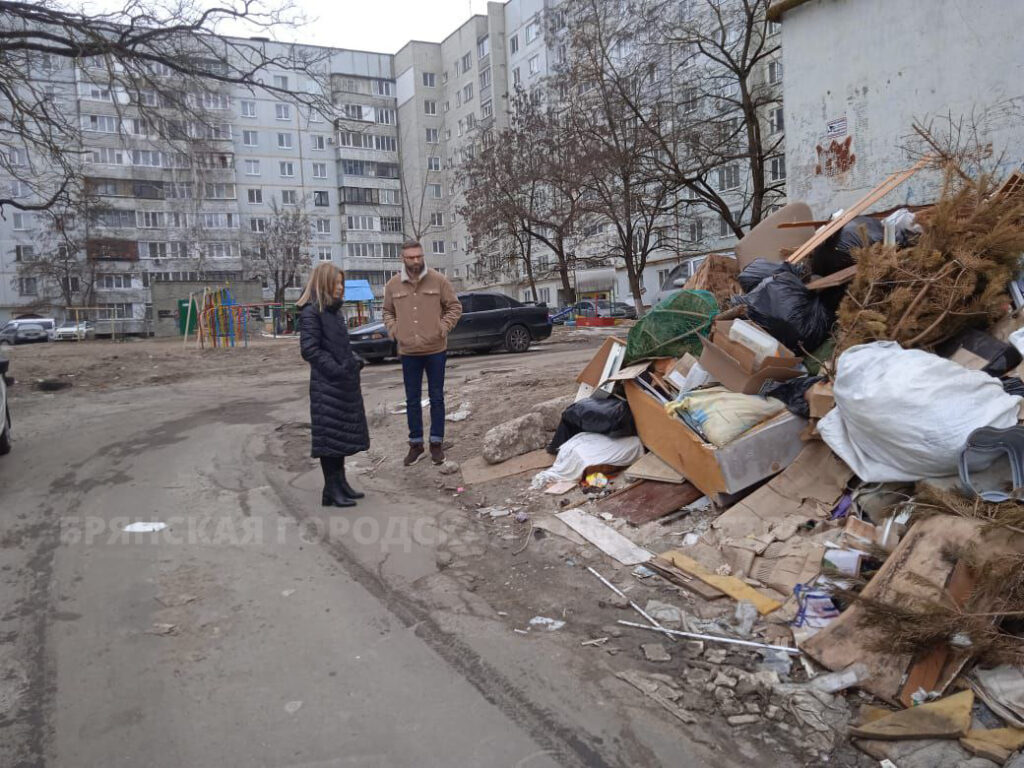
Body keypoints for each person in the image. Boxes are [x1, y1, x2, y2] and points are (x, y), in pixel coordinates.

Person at [383, 240, 463, 466]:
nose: (416, 261)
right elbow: (387, 311)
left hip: (435, 350)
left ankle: (436, 443)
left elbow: (455, 307)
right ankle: (416, 445)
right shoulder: (393, 285)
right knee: (412, 399)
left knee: (437, 397)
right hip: (408, 351)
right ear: (403, 259)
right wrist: (394, 329)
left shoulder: (438, 280)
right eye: (411, 257)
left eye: (419, 256)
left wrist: (443, 327)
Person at [298, 263, 369, 507]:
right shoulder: (311, 312)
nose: (341, 288)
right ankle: (331, 489)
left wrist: (354, 360)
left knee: (339, 439)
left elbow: (339, 347)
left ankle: (340, 485)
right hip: (326, 387)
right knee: (329, 441)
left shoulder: (333, 311)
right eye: (337, 283)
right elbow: (310, 350)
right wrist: (338, 369)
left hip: (342, 386)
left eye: (342, 283)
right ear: (325, 284)